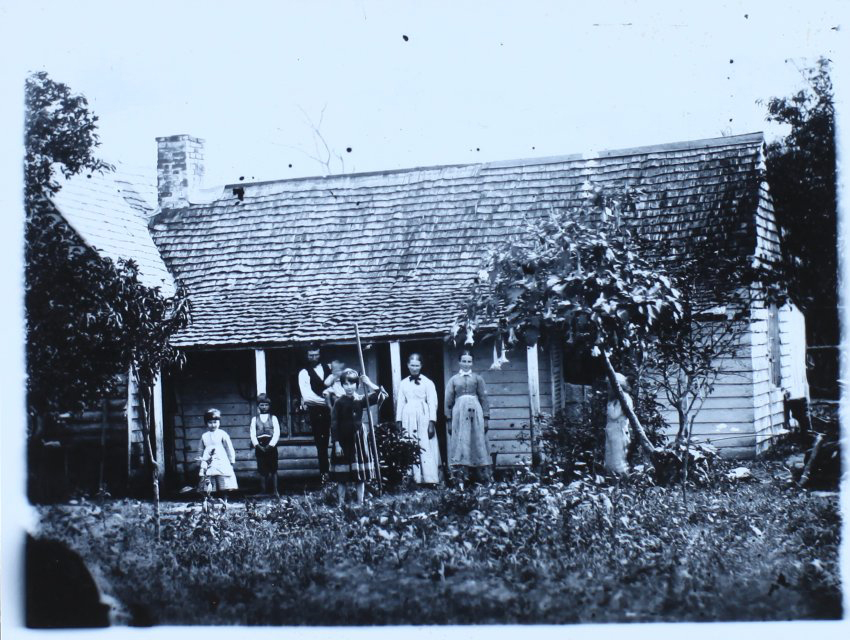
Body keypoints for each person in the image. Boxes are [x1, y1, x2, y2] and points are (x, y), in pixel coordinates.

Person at [330, 368, 387, 505]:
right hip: (343, 440)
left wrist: (369, 383)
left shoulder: (361, 400)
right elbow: (334, 424)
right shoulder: (339, 402)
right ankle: (341, 503)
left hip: (358, 440)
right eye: (346, 384)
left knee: (359, 475)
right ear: (342, 385)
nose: (349, 387)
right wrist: (337, 444)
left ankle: (360, 503)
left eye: (352, 384)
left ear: (357, 385)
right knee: (342, 476)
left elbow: (382, 394)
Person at [445, 349, 491, 487]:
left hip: (475, 411)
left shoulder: (477, 378)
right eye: (464, 361)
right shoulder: (453, 380)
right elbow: (448, 401)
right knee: (461, 440)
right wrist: (448, 419)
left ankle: (480, 477)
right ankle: (460, 477)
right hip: (459, 413)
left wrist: (486, 417)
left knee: (476, 439)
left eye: (469, 361)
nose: (466, 364)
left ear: (472, 363)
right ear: (459, 362)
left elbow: (484, 398)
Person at [396, 353, 442, 485]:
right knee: (409, 443)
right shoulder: (403, 383)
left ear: (421, 366)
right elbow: (400, 402)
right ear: (407, 365)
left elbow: (433, 403)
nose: (414, 368)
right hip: (408, 416)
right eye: (412, 365)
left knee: (425, 445)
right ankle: (412, 478)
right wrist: (398, 421)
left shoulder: (428, 383)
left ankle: (429, 478)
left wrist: (431, 422)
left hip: (423, 416)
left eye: (417, 365)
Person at [298, 345, 333, 482]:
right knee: (322, 444)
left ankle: (341, 474)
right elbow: (308, 397)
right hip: (317, 412)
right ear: (306, 356)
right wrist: (329, 402)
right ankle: (325, 475)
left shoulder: (329, 368)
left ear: (320, 354)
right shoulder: (304, 373)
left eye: (316, 355)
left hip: (334, 411)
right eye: (310, 355)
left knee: (339, 440)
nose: (313, 358)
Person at [198, 408, 238, 499]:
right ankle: (211, 499)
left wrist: (232, 460)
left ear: (219, 422)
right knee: (209, 479)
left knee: (223, 479)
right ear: (206, 424)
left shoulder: (222, 434)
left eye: (215, 422)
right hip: (208, 459)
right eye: (210, 422)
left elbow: (229, 447)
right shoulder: (204, 436)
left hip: (221, 459)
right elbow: (200, 449)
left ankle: (224, 499)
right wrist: (199, 461)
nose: (213, 425)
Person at [249, 393, 281, 496]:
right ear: (258, 406)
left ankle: (275, 491)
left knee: (273, 468)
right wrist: (257, 446)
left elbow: (277, 433)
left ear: (269, 406)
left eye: (266, 405)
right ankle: (263, 490)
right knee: (262, 469)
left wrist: (270, 445)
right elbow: (252, 434)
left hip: (271, 445)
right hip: (259, 445)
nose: (264, 407)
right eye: (261, 405)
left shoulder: (273, 418)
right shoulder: (254, 419)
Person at [604, 372, 632, 478]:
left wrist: (609, 404)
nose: (608, 389)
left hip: (619, 431)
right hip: (612, 431)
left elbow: (614, 415)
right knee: (610, 460)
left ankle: (624, 484)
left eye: (610, 386)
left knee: (618, 460)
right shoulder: (616, 399)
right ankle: (613, 484)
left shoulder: (624, 398)